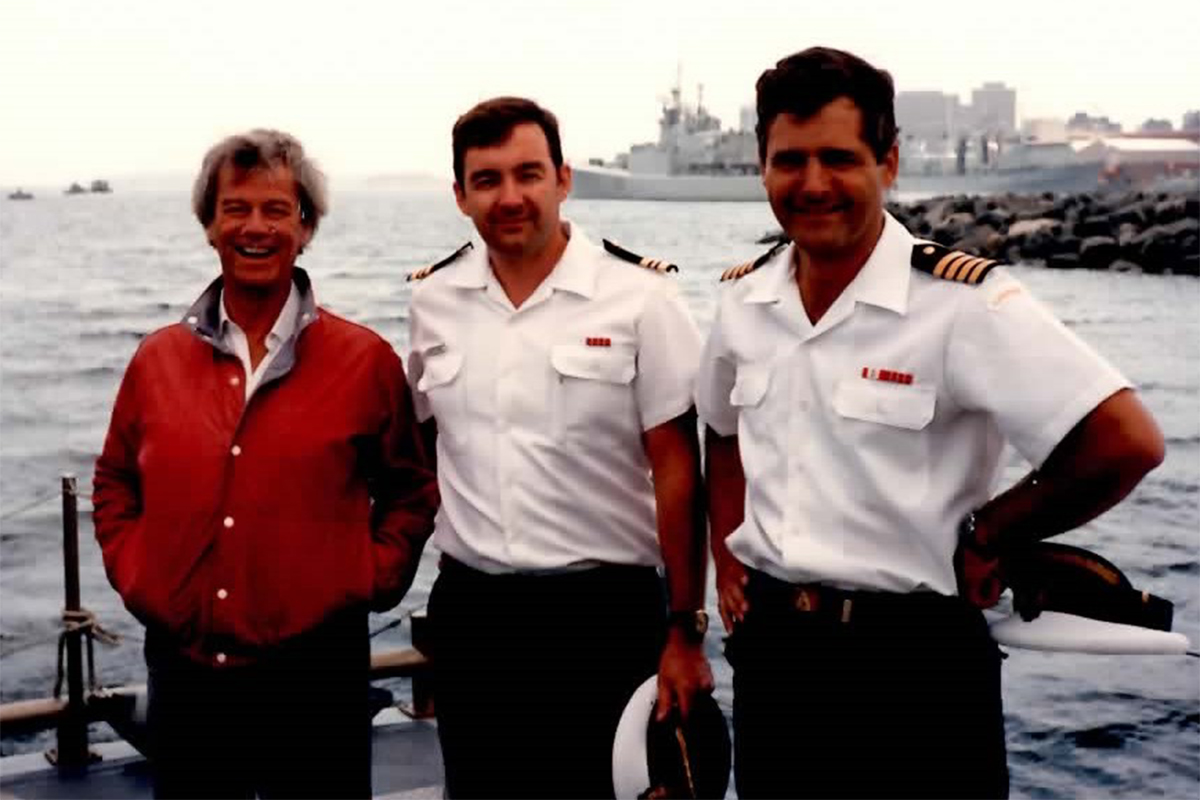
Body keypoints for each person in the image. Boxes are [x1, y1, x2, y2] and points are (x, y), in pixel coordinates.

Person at [695, 47, 1165, 799]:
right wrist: (726, 559)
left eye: (839, 158)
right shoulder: (742, 303)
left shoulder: (961, 305)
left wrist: (992, 531)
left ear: (889, 163)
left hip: (914, 670)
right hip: (776, 660)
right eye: (791, 160)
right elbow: (719, 431)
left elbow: (1126, 441)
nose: (813, 184)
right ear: (762, 166)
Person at [92, 129, 439, 799]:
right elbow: (114, 482)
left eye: (277, 210)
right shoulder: (156, 361)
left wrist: (370, 575)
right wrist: (140, 577)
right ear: (209, 226)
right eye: (236, 209)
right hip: (187, 677)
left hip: (317, 679)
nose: (255, 227)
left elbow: (410, 489)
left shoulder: (364, 361)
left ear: (306, 227)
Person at [407, 96, 714, 798]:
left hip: (603, 618)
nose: (510, 197)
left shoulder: (640, 297)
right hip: (475, 617)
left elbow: (677, 469)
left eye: (528, 174)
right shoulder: (434, 301)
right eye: (486, 180)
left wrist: (686, 628)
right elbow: (425, 444)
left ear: (563, 179)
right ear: (460, 196)